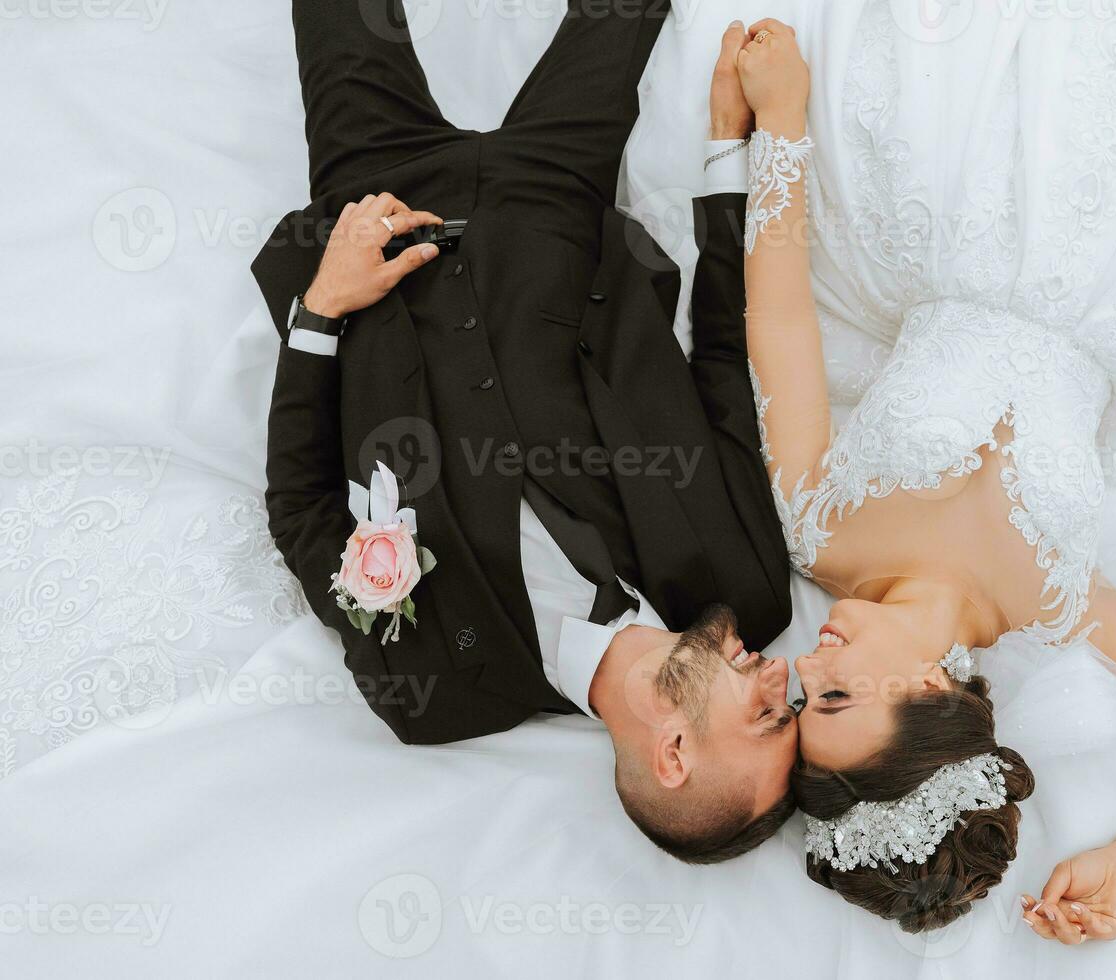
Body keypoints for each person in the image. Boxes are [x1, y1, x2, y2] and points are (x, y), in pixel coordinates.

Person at [730, 18, 1116, 932]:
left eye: (808, 696)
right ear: (930, 692)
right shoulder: (1058, 604)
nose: (808, 662)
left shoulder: (819, 528)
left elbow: (779, 328)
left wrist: (784, 128)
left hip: (963, 215)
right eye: (836, 693)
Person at [254, 0, 796, 862]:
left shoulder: (434, 693)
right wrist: (731, 151)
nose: (780, 677)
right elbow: (726, 365)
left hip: (377, 210)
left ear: (674, 752)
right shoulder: (754, 586)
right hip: (560, 196)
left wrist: (322, 304)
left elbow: (298, 508)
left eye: (766, 714)